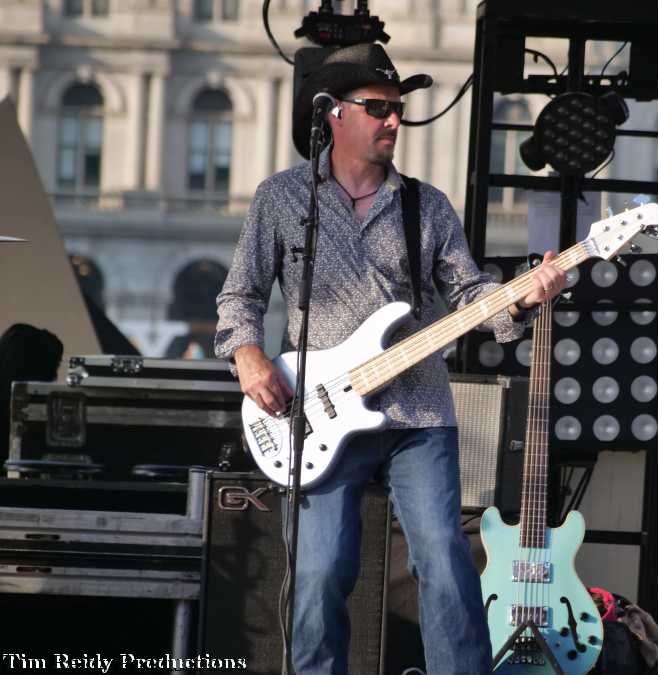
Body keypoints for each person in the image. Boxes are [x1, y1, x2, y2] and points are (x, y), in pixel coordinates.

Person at [214, 43, 567, 675]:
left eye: (398, 108)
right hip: (315, 413)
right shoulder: (282, 198)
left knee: (444, 558)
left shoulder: (425, 205)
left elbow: (469, 294)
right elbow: (241, 293)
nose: (394, 120)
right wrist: (247, 353)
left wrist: (520, 298)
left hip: (418, 411)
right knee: (320, 571)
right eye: (378, 107)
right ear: (334, 113)